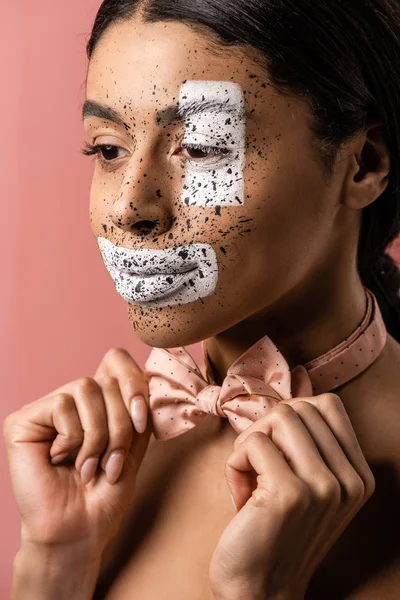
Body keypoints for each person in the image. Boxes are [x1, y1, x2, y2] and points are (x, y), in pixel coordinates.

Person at [4, 1, 400, 598]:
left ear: (363, 164)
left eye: (201, 149)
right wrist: (54, 563)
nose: (128, 208)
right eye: (108, 149)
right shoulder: (100, 476)